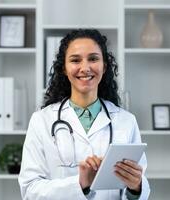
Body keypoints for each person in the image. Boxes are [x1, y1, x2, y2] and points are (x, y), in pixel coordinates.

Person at [18, 29, 150, 200]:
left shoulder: (126, 121)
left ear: (104, 66)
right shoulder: (42, 120)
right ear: (64, 68)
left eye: (93, 59)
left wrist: (135, 188)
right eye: (75, 60)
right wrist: (80, 184)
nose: (85, 67)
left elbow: (140, 185)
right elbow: (29, 190)